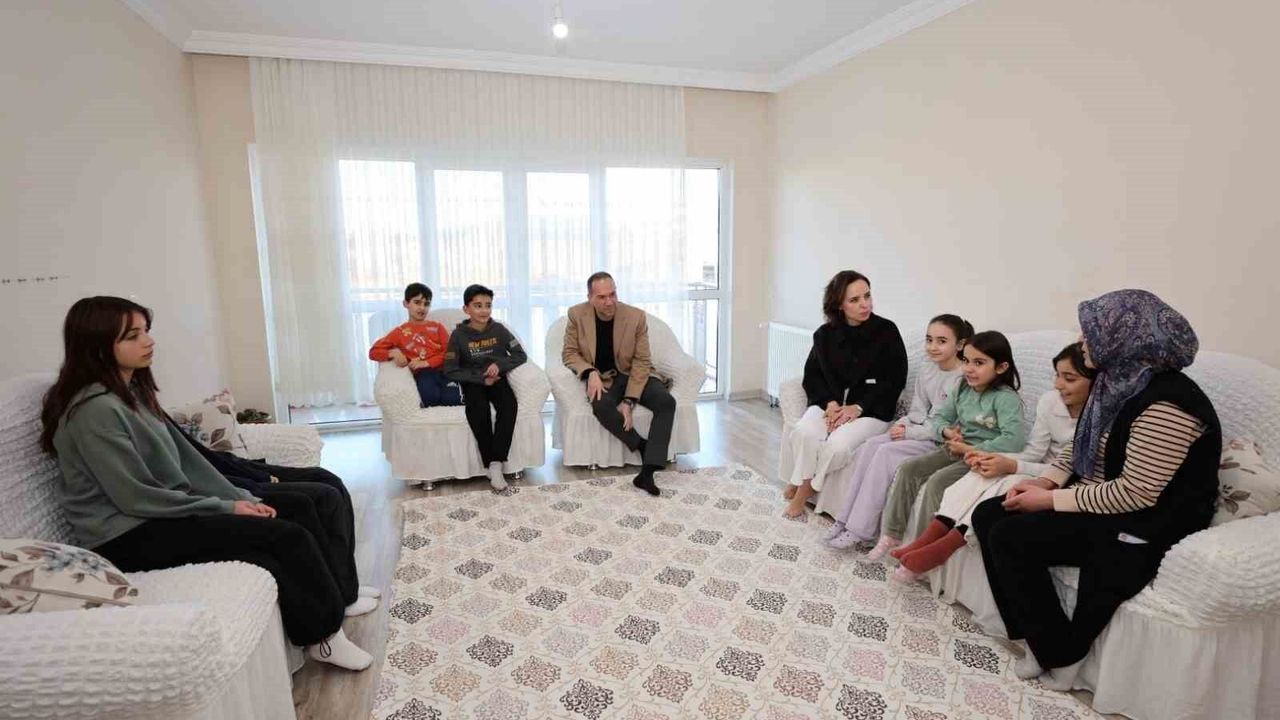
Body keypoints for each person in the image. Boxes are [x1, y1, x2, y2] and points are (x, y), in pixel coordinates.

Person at [40, 296, 374, 671]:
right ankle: (323, 638)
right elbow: (136, 497)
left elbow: (188, 462)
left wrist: (236, 494)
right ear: (98, 346)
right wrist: (226, 507)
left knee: (296, 509)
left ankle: (335, 605)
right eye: (132, 336)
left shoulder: (130, 393)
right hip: (125, 535)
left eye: (146, 331)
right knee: (287, 537)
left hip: (157, 513)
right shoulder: (96, 410)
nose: (149, 341)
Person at [972, 290, 1220, 691]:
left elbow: (1137, 493)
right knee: (988, 514)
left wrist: (1049, 500)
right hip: (1100, 497)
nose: (1082, 341)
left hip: (1145, 519)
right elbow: (1082, 443)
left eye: (1090, 334)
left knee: (1011, 536)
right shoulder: (1116, 382)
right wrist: (1047, 480)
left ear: (1125, 339)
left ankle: (1061, 652)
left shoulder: (1169, 404)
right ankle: (1035, 636)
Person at [889, 342, 1094, 579]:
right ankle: (928, 538)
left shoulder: (1099, 417)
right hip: (1036, 465)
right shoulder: (1050, 400)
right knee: (981, 471)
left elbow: (1069, 470)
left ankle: (949, 544)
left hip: (1061, 479)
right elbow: (1034, 450)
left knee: (1008, 482)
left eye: (1069, 378)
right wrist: (993, 458)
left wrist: (1012, 465)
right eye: (1057, 376)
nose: (1058, 384)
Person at [869, 330, 1026, 563]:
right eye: (966, 361)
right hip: (954, 448)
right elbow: (940, 418)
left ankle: (920, 547)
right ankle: (892, 534)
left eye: (979, 363)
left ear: (1001, 367)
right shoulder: (962, 387)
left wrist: (969, 450)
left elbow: (1014, 440)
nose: (969, 368)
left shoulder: (1006, 398)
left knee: (936, 482)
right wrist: (946, 431)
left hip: (980, 457)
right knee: (909, 469)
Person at [826, 314, 971, 548]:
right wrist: (903, 424)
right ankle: (843, 519)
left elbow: (943, 426)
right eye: (929, 340)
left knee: (885, 453)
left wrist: (909, 433)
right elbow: (917, 410)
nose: (933, 347)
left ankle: (860, 530)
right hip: (917, 429)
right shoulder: (927, 368)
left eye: (942, 341)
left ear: (960, 344)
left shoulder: (963, 379)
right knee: (870, 446)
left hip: (938, 441)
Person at [783, 270, 908, 518]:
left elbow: (894, 380)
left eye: (867, 296)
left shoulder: (887, 331)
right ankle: (802, 482)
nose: (865, 304)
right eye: (855, 300)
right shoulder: (824, 335)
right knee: (804, 433)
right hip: (830, 404)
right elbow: (812, 376)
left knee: (836, 446)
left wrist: (858, 407)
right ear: (839, 305)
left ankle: (804, 488)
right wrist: (830, 404)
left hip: (871, 410)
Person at [562, 272, 677, 496]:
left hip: (636, 374)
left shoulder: (635, 317)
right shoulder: (576, 314)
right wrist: (590, 372)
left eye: (612, 294)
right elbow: (569, 353)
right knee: (600, 405)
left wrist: (629, 401)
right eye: (602, 297)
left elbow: (642, 361)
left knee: (666, 402)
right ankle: (642, 445)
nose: (609, 301)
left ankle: (647, 472)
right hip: (604, 377)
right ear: (590, 297)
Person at [443, 284, 527, 491]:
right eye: (478, 305)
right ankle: (489, 461)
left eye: (488, 305)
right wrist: (481, 379)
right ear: (466, 309)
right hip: (473, 382)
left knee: (509, 406)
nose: (484, 310)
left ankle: (496, 464)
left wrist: (499, 365)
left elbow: (520, 355)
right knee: (478, 410)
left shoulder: (499, 330)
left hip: (497, 379)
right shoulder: (458, 335)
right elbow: (450, 370)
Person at [368, 282, 462, 408]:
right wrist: (392, 353)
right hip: (424, 375)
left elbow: (450, 352)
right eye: (417, 302)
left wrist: (426, 362)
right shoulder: (399, 332)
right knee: (430, 398)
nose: (422, 308)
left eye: (426, 304)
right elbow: (373, 352)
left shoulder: (437, 327)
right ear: (406, 303)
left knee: (453, 399)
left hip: (446, 371)